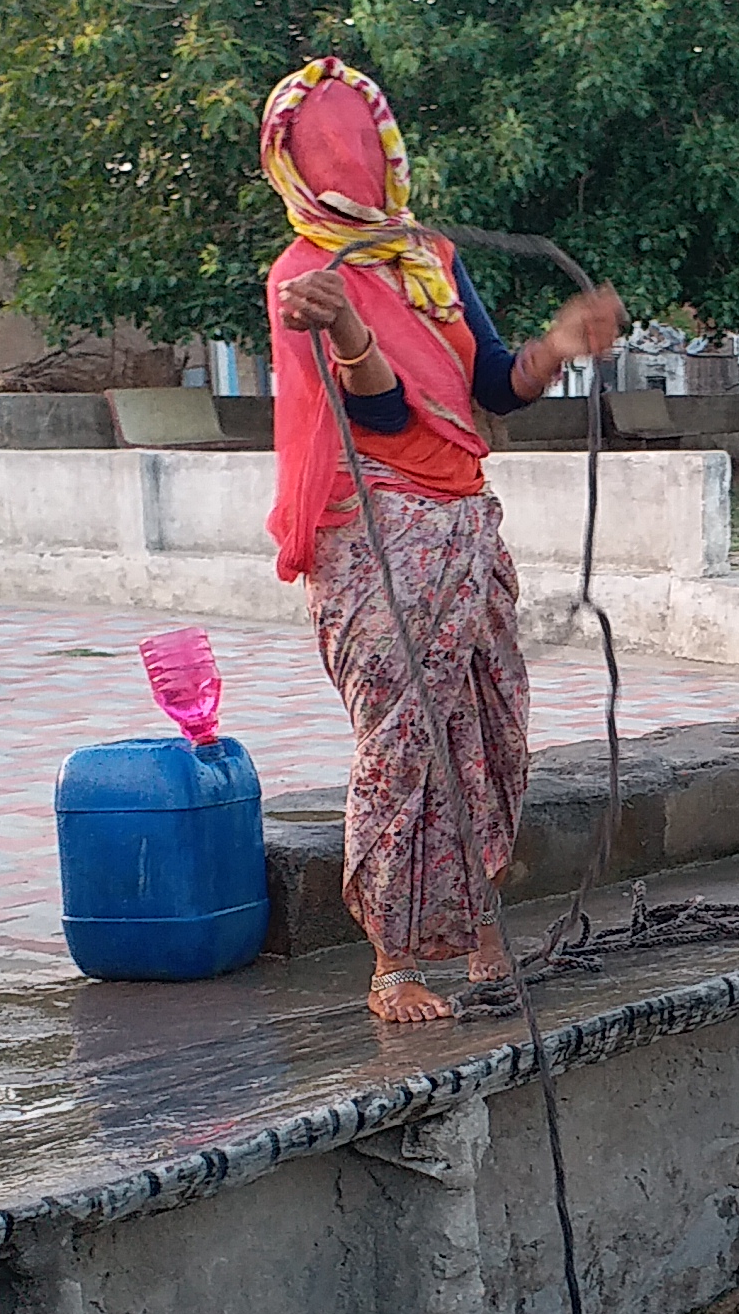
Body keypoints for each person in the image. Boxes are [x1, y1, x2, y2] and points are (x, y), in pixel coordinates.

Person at [260, 57, 624, 1024]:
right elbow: (377, 418)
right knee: (406, 734)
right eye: (329, 154)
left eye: (363, 150)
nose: (353, 174)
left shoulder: (428, 260)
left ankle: (474, 921)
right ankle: (393, 958)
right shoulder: (304, 280)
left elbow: (495, 384)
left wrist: (560, 344)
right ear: (291, 167)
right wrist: (345, 331)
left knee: (491, 727)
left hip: (465, 514)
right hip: (376, 525)